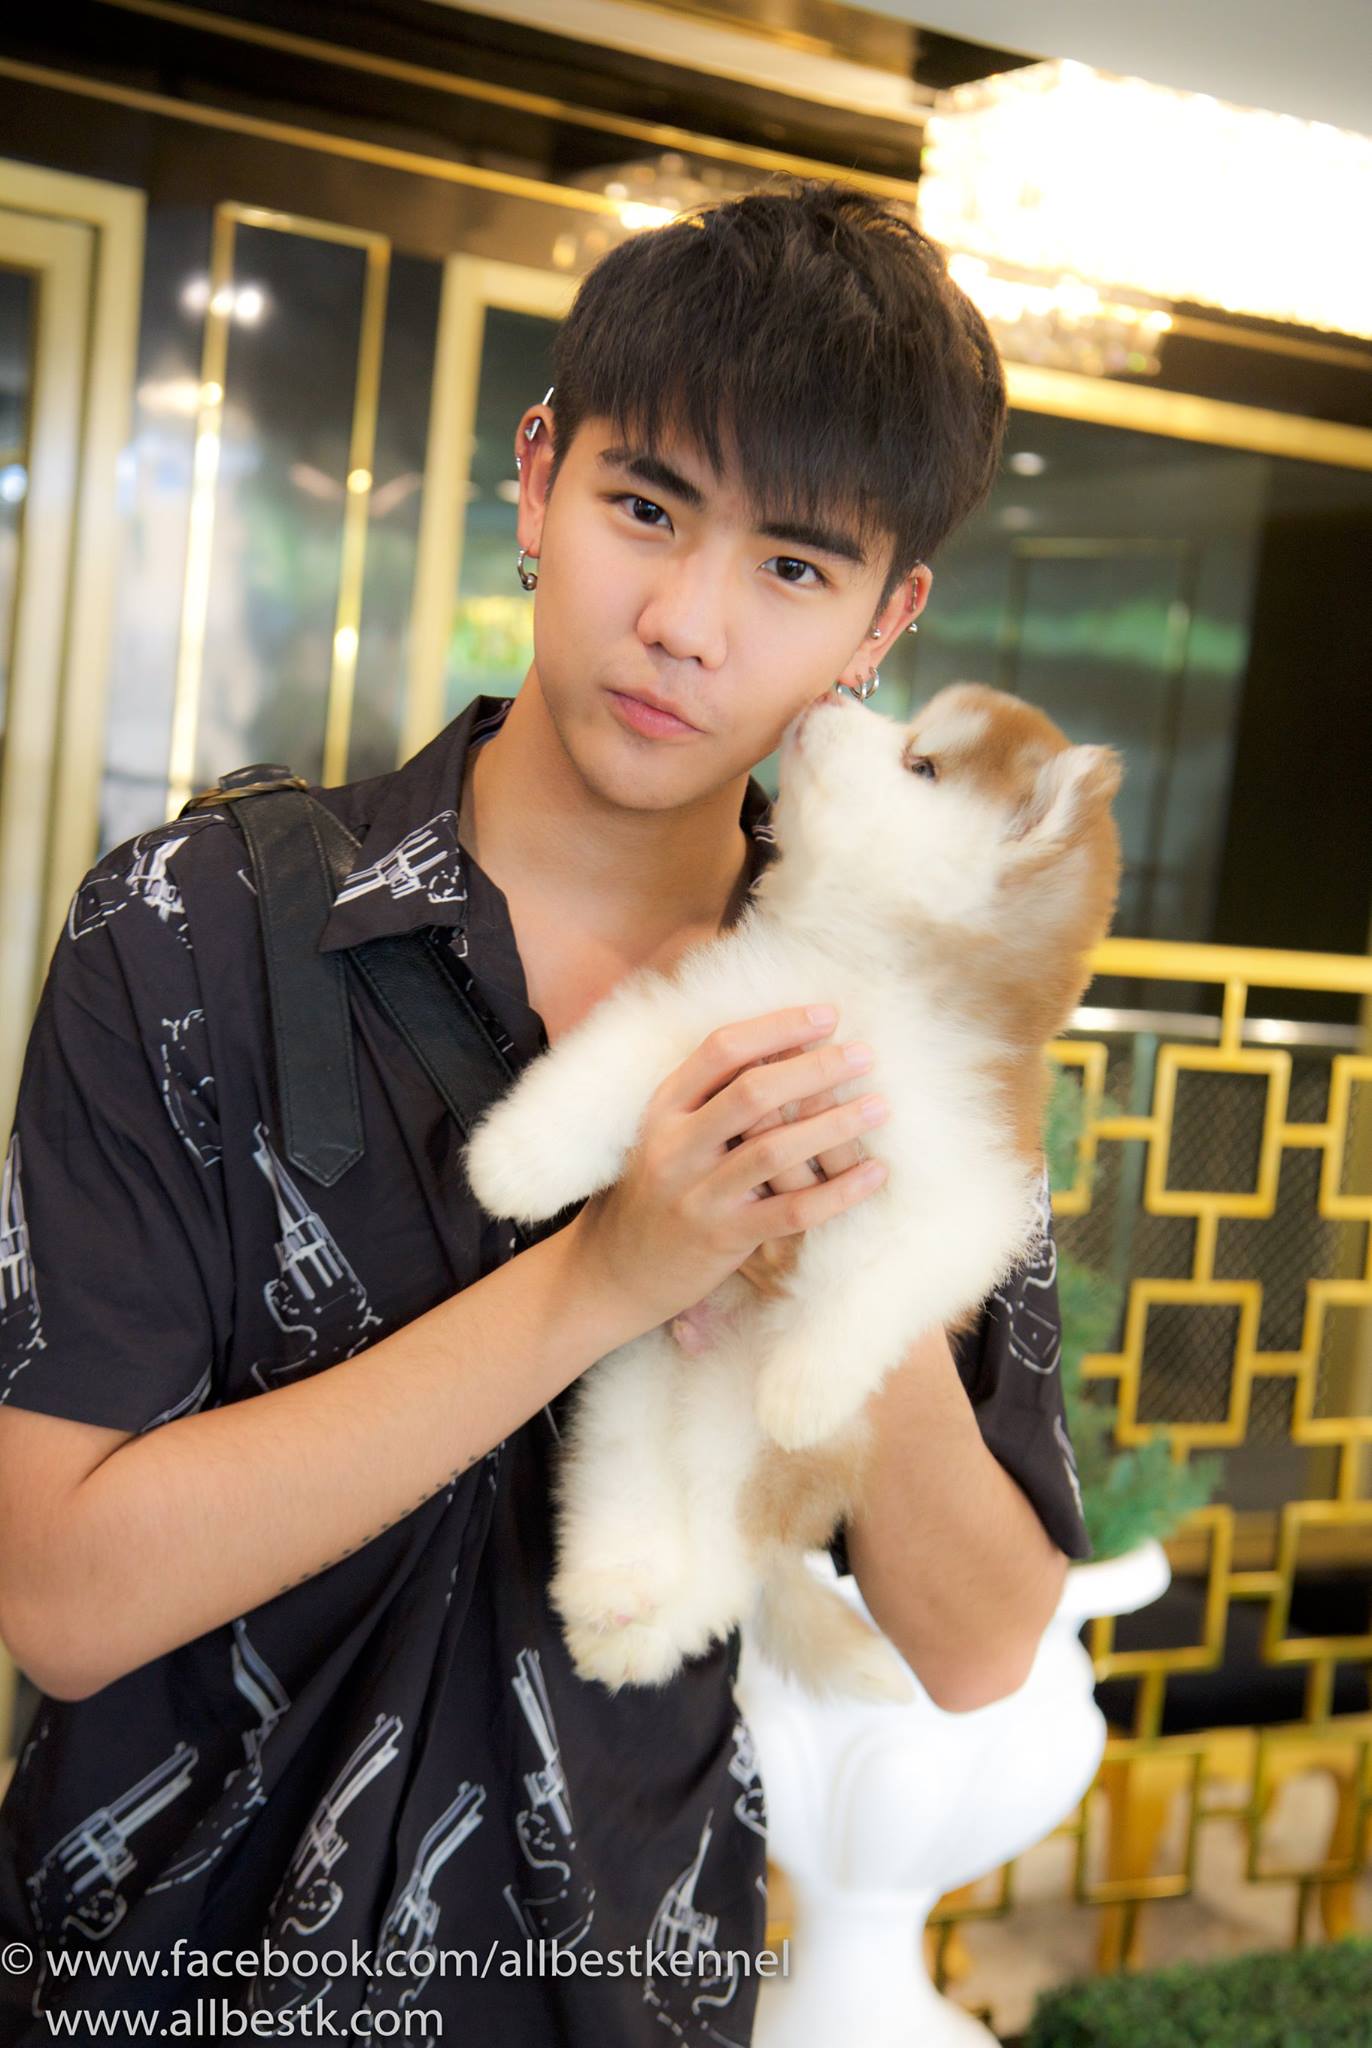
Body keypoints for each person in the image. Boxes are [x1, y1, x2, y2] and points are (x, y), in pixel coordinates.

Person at [0, 180, 1090, 2045]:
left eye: (793, 569)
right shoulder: (189, 931)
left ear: (883, 618)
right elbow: (63, 1596)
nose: (683, 623)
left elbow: (983, 1640)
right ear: (536, 476)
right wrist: (607, 1274)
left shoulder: (905, 1029)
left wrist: (854, 1258)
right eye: (644, 508)